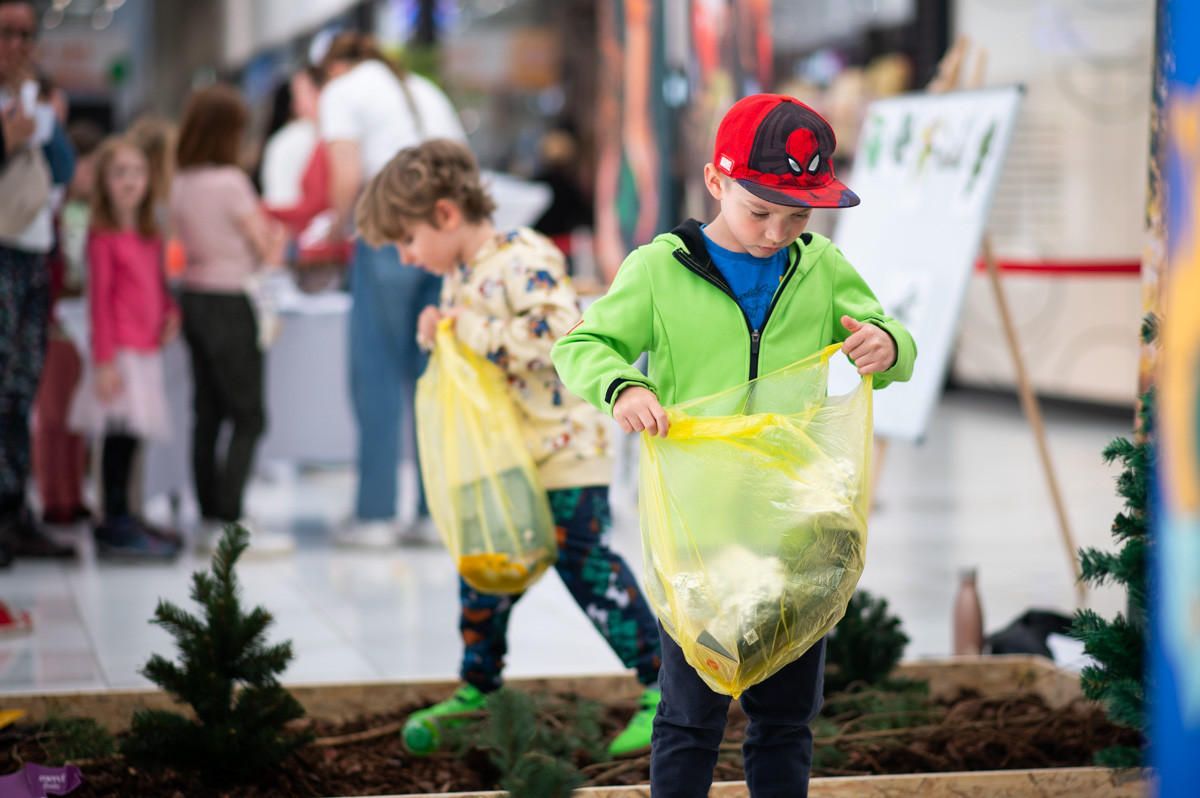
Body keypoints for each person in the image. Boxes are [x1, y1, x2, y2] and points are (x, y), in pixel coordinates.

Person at [551, 94, 917, 797]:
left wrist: (887, 343)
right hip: (699, 538)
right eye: (760, 211)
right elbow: (582, 345)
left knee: (786, 719)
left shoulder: (821, 268)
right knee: (690, 717)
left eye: (798, 216)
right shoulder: (659, 270)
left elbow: (890, 338)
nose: (777, 233)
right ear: (716, 182)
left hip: (794, 535)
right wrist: (622, 387)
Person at [355, 138, 663, 758]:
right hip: (508, 461)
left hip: (564, 451)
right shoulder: (460, 274)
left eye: (408, 240)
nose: (407, 257)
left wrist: (465, 328)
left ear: (446, 214)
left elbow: (558, 337)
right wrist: (439, 333)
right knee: (485, 569)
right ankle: (478, 688)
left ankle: (666, 690)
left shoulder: (523, 256)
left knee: (587, 567)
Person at [318, 32, 466, 548]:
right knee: (433, 372)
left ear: (335, 66)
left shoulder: (343, 89)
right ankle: (433, 514)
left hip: (387, 231)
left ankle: (376, 515)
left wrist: (336, 224)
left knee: (377, 370)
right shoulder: (422, 88)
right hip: (445, 233)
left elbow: (347, 174)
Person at [170, 84, 292, 555]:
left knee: (207, 413)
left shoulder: (181, 181)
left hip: (194, 297)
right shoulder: (230, 183)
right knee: (248, 415)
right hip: (231, 299)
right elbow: (266, 247)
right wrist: (275, 241)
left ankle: (209, 515)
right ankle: (229, 514)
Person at [66, 136, 182, 559]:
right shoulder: (102, 238)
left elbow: (157, 286)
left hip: (146, 350)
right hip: (120, 355)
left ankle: (128, 514)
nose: (130, 181)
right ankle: (114, 520)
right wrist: (104, 361)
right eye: (120, 173)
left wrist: (170, 312)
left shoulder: (150, 235)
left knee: (134, 438)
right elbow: (99, 303)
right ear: (104, 182)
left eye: (137, 172)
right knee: (117, 438)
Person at [0, 0, 76, 564]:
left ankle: (12, 512)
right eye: (7, 33)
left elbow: (64, 169)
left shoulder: (32, 96)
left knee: (21, 389)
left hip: (31, 259)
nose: (18, 46)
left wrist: (44, 118)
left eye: (27, 34)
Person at [32, 119, 104, 528]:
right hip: (57, 321)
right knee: (53, 414)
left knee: (79, 415)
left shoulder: (94, 214)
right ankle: (51, 495)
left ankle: (74, 492)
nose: (92, 177)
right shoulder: (54, 209)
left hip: (85, 323)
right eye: (88, 166)